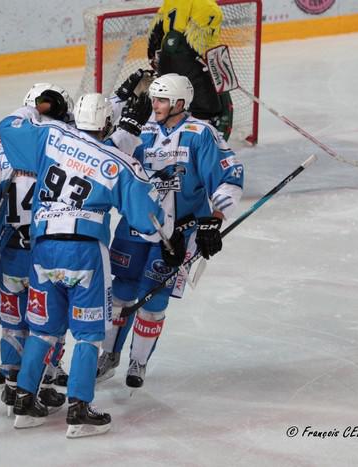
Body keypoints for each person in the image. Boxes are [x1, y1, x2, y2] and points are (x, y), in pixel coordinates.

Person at [0, 90, 184, 438]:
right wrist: (171, 242)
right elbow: (148, 220)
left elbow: (7, 127)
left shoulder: (50, 136)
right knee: (87, 334)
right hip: (84, 253)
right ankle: (79, 409)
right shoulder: (116, 161)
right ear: (107, 123)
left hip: (43, 250)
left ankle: (23, 400)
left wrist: (32, 107)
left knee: (42, 329)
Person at [97, 73, 244, 391]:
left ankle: (139, 360)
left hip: (179, 232)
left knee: (154, 300)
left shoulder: (200, 133)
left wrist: (213, 219)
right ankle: (108, 355)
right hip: (134, 227)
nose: (155, 105)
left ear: (180, 103)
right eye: (154, 98)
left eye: (162, 100)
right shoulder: (139, 130)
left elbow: (228, 174)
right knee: (120, 293)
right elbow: (101, 149)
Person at [0, 83, 74, 416]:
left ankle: (12, 381)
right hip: (46, 254)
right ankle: (46, 378)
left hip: (11, 253)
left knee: (13, 321)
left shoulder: (0, 152)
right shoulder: (59, 147)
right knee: (50, 321)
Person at [147, 0, 234, 139]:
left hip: (165, 60)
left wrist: (157, 56)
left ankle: (166, 143)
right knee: (209, 109)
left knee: (170, 106)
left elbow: (156, 31)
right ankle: (197, 145)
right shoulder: (209, 6)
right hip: (189, 62)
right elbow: (204, 45)